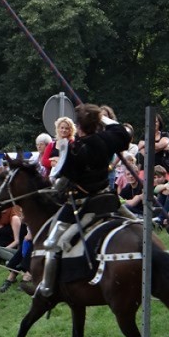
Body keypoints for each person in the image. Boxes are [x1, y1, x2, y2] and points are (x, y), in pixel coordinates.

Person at [36, 103, 131, 297]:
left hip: (83, 203)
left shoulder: (74, 149)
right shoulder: (108, 139)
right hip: (107, 197)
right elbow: (122, 131)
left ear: (78, 126)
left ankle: (47, 288)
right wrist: (99, 117)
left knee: (51, 242)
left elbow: (62, 181)